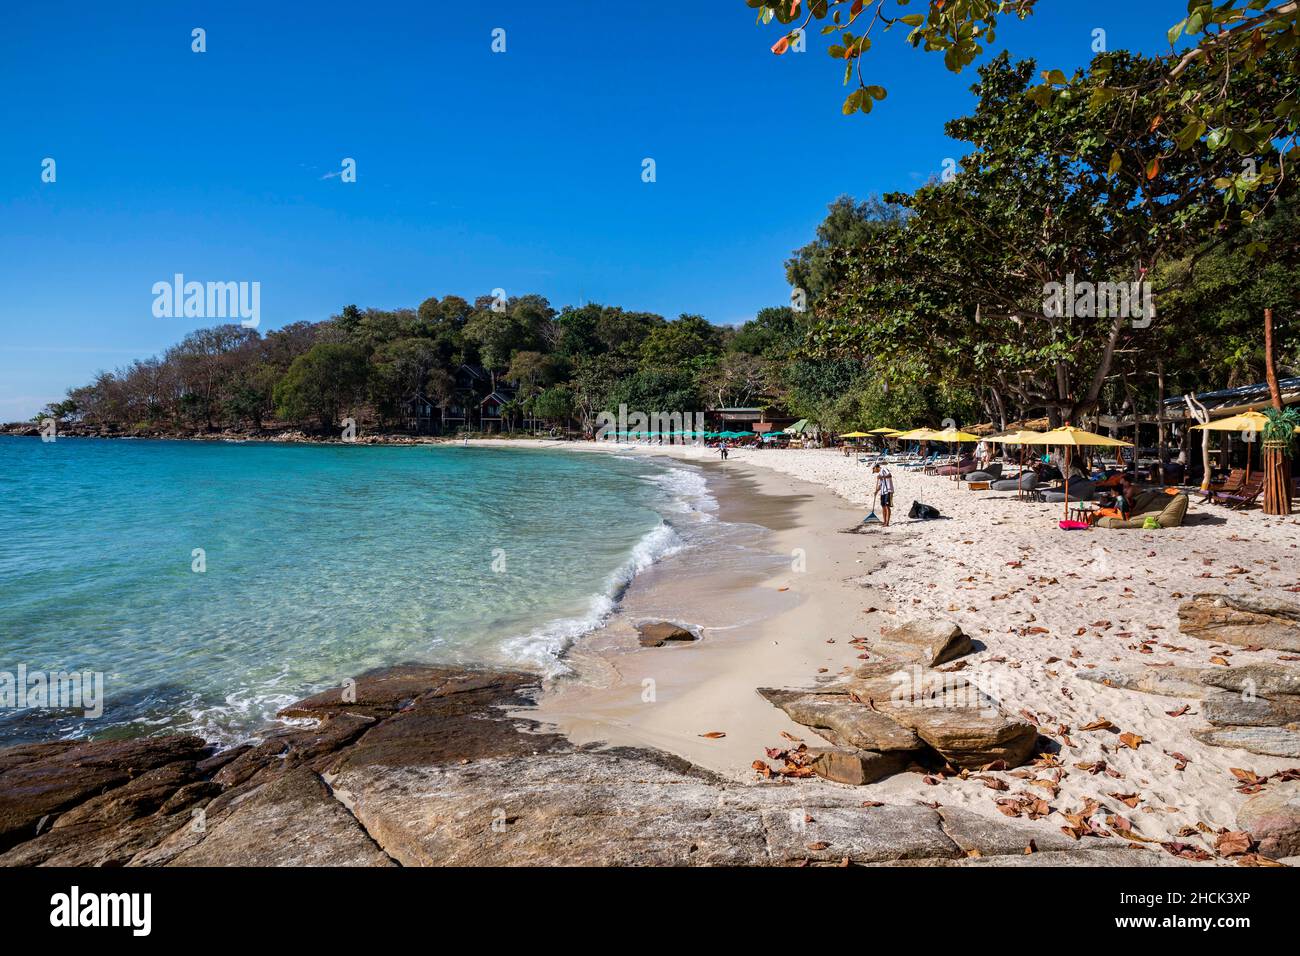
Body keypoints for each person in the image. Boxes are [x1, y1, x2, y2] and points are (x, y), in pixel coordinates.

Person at [872, 463, 894, 527]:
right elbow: (880, 485)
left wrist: (882, 477)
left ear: (876, 467)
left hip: (888, 490)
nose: (874, 472)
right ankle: (884, 521)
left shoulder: (884, 469)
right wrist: (876, 491)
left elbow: (890, 475)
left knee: (887, 506)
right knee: (883, 506)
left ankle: (887, 522)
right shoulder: (879, 475)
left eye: (874, 470)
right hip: (883, 492)